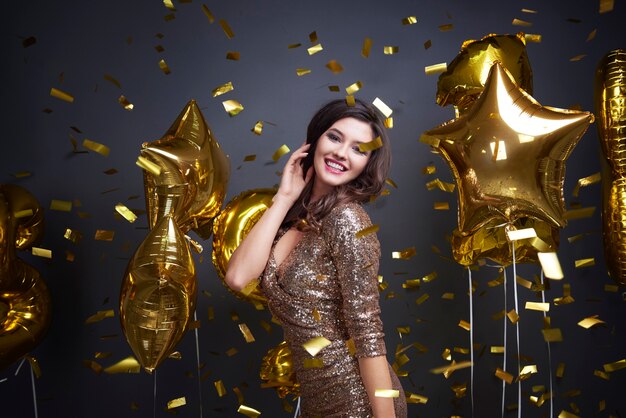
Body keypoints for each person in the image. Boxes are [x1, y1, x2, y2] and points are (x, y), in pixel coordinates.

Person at [225, 98, 406, 417]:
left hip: (357, 403)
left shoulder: (348, 221)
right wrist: (284, 197)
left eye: (358, 149)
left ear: (366, 164)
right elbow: (238, 278)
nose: (341, 153)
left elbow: (368, 335)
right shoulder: (295, 219)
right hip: (314, 402)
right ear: (316, 139)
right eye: (335, 137)